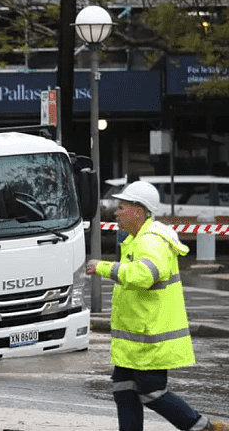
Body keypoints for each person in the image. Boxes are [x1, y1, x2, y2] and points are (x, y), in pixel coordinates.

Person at [86, 180, 227, 431]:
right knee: (124, 389)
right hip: (137, 338)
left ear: (138, 211)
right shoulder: (136, 239)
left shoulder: (150, 241)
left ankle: (203, 428)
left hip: (151, 338)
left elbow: (145, 275)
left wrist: (103, 267)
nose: (117, 212)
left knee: (151, 391)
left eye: (122, 207)